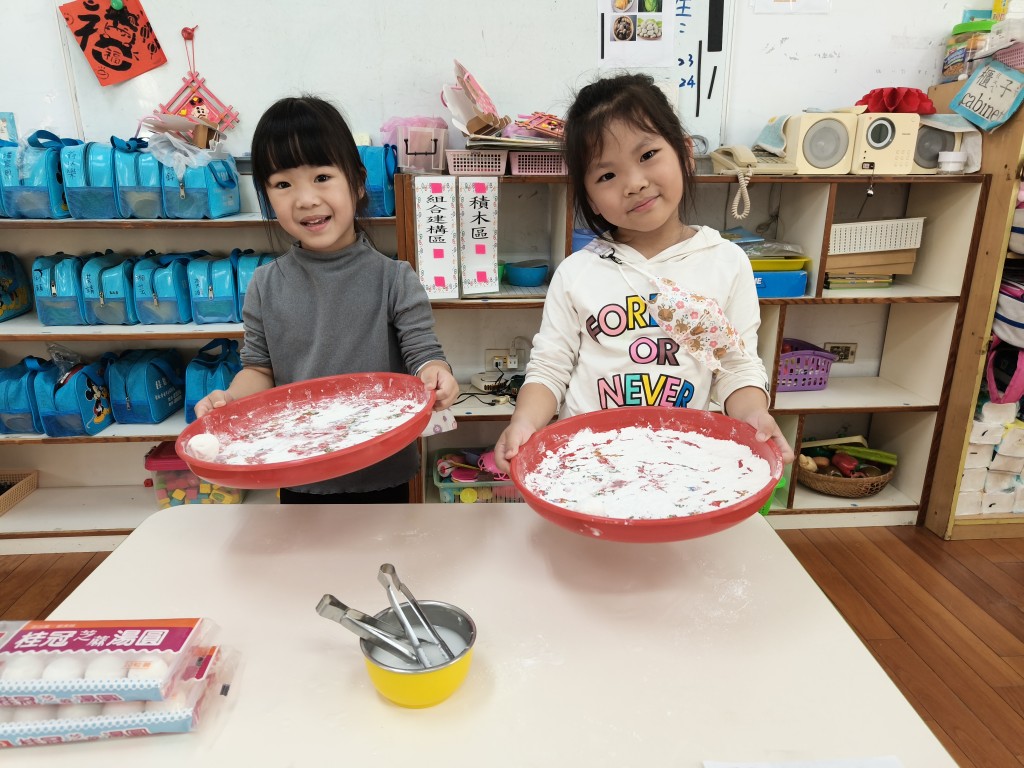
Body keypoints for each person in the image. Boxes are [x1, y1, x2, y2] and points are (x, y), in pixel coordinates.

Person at [495, 73, 793, 472]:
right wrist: (524, 422)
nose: (634, 184)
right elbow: (550, 368)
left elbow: (734, 366)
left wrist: (754, 415)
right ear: (590, 200)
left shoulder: (725, 262)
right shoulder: (577, 272)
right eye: (606, 175)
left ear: (685, 153)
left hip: (682, 461)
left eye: (648, 154)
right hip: (588, 461)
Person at [195, 95, 459, 503]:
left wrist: (436, 374)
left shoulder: (394, 279)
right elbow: (259, 371)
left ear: (357, 182)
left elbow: (423, 354)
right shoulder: (265, 285)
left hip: (381, 468)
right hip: (298, 468)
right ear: (267, 196)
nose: (305, 199)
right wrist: (230, 401)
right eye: (283, 184)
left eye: (321, 177)